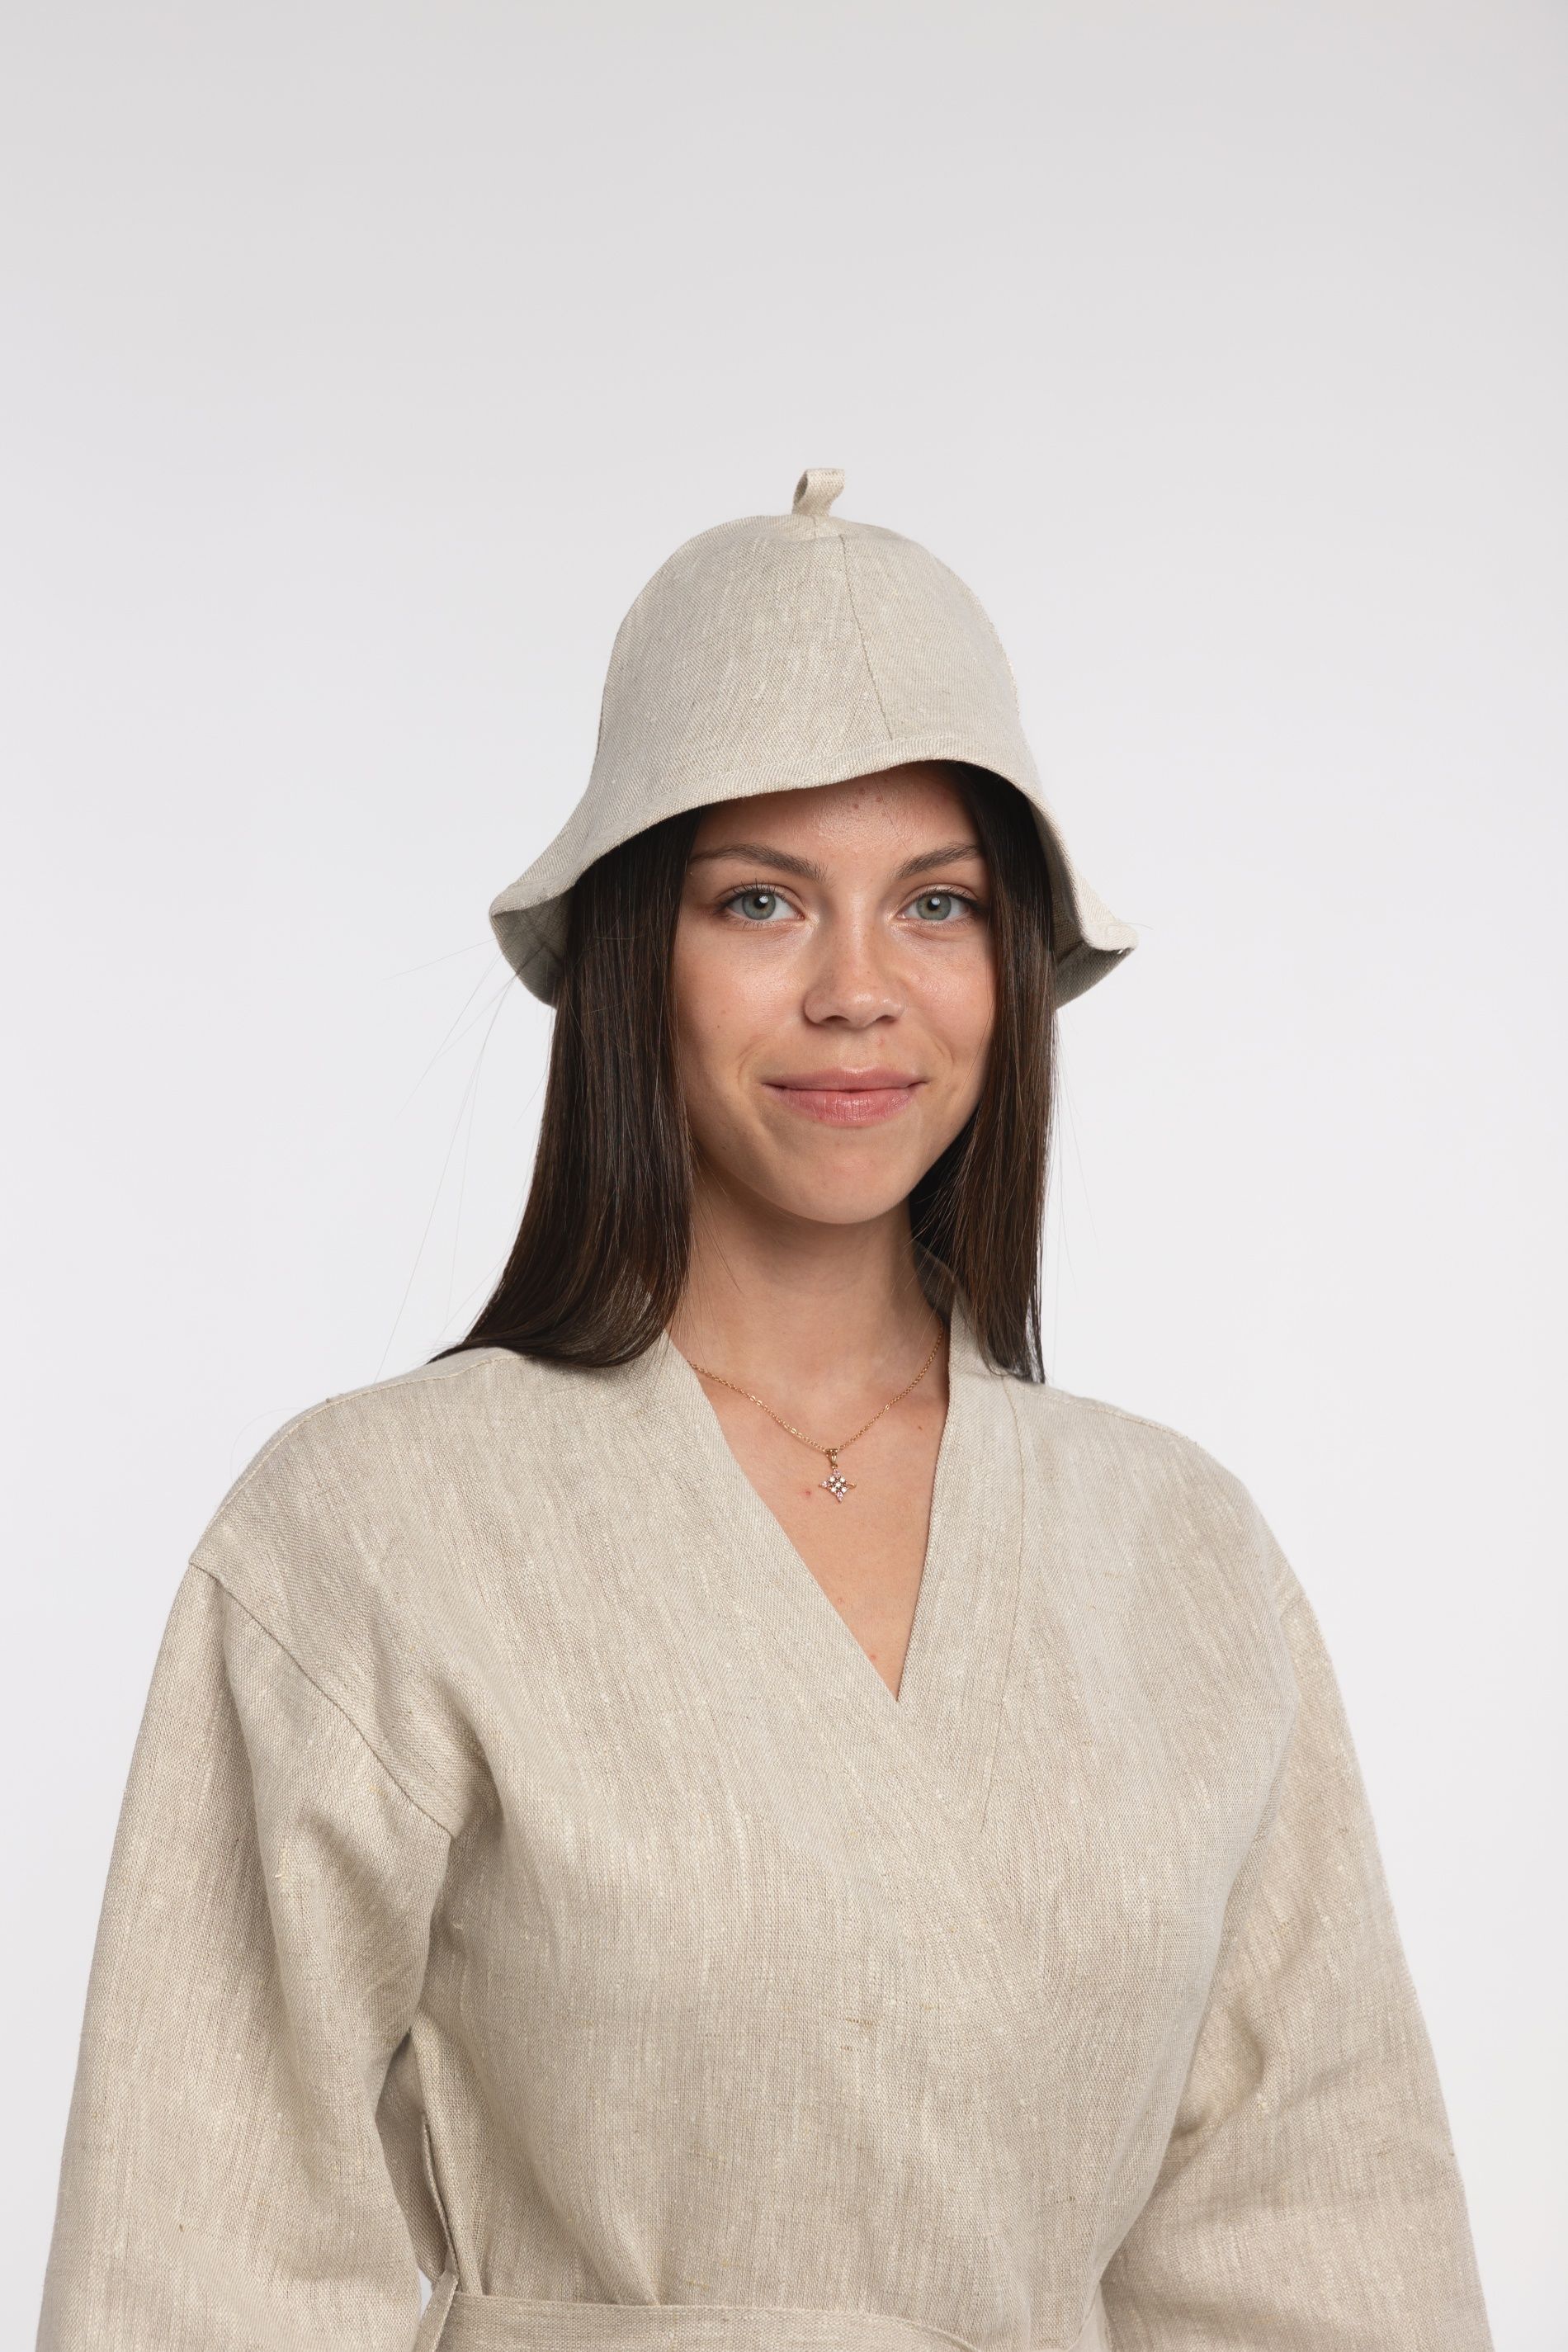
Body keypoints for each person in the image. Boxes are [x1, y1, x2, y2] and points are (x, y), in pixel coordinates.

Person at [34, 467, 1494, 2352]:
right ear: (634, 953)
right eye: (760, 900)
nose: (856, 991)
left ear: (1010, 967)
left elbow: (1313, 2245)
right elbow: (200, 2266)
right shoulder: (372, 1526)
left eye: (937, 904)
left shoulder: (1180, 1554)